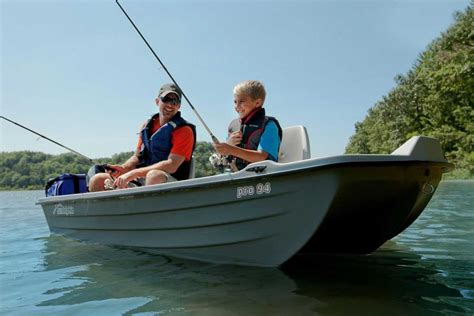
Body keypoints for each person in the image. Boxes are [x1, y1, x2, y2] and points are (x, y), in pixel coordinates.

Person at [88, 83, 196, 191]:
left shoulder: (184, 131)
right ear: (157, 101)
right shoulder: (146, 126)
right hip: (142, 177)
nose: (170, 105)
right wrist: (124, 168)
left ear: (179, 106)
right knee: (97, 179)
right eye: (166, 99)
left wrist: (132, 174)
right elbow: (137, 157)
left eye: (174, 102)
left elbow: (171, 165)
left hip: (169, 181)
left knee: (154, 176)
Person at [213, 80, 282, 171]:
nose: (237, 106)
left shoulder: (269, 125)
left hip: (262, 180)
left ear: (257, 103)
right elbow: (223, 158)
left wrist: (231, 149)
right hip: (236, 178)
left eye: (241, 102)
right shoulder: (233, 126)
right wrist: (227, 145)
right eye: (235, 102)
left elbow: (262, 157)